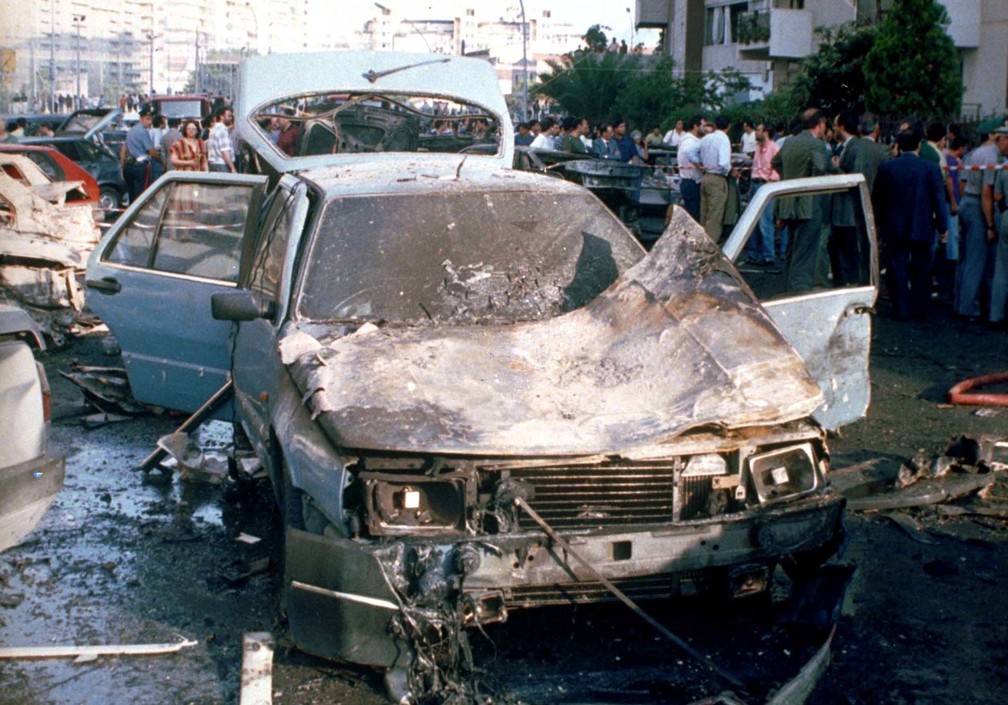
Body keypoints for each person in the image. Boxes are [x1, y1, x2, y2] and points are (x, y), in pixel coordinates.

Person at [873, 128, 949, 320]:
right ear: (919, 145)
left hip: (894, 226)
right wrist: (943, 226)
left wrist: (879, 224)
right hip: (922, 224)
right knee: (922, 268)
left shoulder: (887, 168)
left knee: (897, 267)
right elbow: (939, 200)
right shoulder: (930, 168)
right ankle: (919, 306)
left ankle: (901, 308)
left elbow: (878, 199)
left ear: (899, 145)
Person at [771, 108, 830, 291]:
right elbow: (820, 167)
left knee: (792, 248)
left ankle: (789, 287)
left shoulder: (790, 141)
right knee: (806, 252)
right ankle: (799, 291)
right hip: (809, 204)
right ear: (820, 123)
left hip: (788, 202)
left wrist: (789, 177)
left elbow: (775, 162)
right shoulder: (816, 144)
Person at [955, 121, 1008, 322]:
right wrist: (990, 225)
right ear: (1002, 139)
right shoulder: (993, 157)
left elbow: (962, 181)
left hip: (968, 202)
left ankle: (960, 302)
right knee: (976, 260)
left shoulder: (979, 152)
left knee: (966, 258)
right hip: (978, 205)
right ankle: (969, 308)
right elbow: (987, 193)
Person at [686, 113, 732, 241]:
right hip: (718, 178)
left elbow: (690, 152)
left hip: (706, 177)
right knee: (715, 216)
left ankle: (701, 242)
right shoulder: (724, 139)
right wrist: (731, 170)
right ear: (729, 126)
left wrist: (700, 165)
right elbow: (724, 163)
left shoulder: (707, 138)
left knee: (704, 214)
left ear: (715, 125)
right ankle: (710, 244)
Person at [742, 122, 780, 266]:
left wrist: (771, 181)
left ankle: (768, 256)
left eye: (758, 130)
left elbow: (777, 168)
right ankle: (753, 253)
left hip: (765, 184)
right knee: (752, 220)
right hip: (755, 183)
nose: (755, 133)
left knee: (765, 222)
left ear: (766, 132)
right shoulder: (758, 148)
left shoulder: (774, 148)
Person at [984, 126, 1008, 327]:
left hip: (1007, 216)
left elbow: (998, 195)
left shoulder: (1004, 167)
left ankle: (996, 314)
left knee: (1002, 268)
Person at [120, 108, 163, 201]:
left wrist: (122, 165)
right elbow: (152, 152)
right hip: (140, 166)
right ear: (141, 119)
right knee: (141, 194)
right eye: (147, 119)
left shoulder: (131, 131)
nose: (150, 122)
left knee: (131, 193)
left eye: (151, 119)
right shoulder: (143, 132)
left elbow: (123, 149)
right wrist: (161, 161)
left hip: (128, 165)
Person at [673, 114, 704, 222]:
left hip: (689, 182)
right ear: (696, 126)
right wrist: (701, 167)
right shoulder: (690, 141)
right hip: (692, 182)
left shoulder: (686, 139)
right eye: (703, 125)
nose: (704, 128)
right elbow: (689, 153)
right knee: (694, 216)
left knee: (692, 215)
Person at [207, 105, 237, 172]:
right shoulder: (222, 130)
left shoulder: (214, 128)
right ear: (221, 117)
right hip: (222, 165)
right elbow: (224, 151)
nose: (231, 118)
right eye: (229, 116)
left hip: (213, 163)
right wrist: (232, 168)